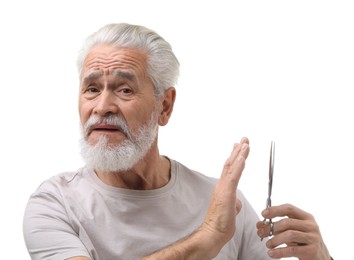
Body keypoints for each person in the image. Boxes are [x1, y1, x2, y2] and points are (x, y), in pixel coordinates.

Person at [23, 23, 332, 260]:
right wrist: (208, 236)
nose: (102, 106)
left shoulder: (223, 201)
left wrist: (322, 256)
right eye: (91, 88)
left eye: (124, 90)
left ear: (165, 106)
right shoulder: (54, 204)